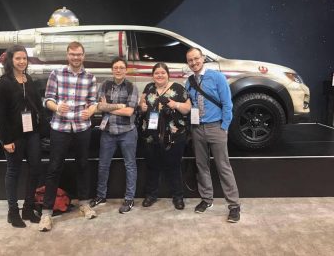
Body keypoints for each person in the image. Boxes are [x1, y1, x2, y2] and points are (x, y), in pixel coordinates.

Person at [38, 41, 98, 232]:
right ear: (67, 55)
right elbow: (47, 100)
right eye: (72, 54)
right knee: (54, 167)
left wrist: (91, 110)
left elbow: (94, 102)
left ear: (83, 56)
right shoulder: (56, 74)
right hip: (60, 127)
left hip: (82, 127)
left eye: (79, 54)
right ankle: (46, 213)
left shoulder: (90, 77)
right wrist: (57, 108)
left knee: (82, 165)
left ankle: (84, 204)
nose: (76, 57)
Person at [185, 47, 240, 223]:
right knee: (202, 166)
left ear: (202, 59)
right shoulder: (189, 82)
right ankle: (207, 199)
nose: (194, 63)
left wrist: (224, 126)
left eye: (196, 59)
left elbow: (227, 103)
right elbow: (190, 104)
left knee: (223, 167)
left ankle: (234, 206)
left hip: (216, 127)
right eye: (190, 60)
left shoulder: (217, 77)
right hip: (197, 129)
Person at [0, 45, 42, 228]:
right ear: (10, 60)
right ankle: (12, 211)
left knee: (36, 168)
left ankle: (28, 208)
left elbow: (36, 105)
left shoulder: (28, 79)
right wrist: (6, 140)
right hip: (13, 136)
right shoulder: (5, 82)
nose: (22, 61)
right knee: (13, 171)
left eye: (24, 58)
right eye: (18, 59)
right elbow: (1, 114)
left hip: (32, 133)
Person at [138, 63, 191, 210]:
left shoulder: (178, 88)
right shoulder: (149, 87)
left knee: (174, 166)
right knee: (152, 166)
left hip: (174, 136)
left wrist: (175, 104)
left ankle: (178, 197)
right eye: (156, 73)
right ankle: (151, 195)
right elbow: (142, 103)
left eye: (162, 73)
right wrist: (141, 106)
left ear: (168, 74)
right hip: (151, 135)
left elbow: (187, 109)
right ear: (152, 75)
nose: (159, 75)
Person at [89, 57, 139, 214]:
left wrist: (107, 107)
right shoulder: (104, 85)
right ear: (112, 70)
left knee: (130, 165)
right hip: (108, 132)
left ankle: (129, 199)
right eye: (115, 67)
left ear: (126, 70)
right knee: (103, 165)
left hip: (128, 132)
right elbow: (99, 106)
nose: (118, 70)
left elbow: (129, 111)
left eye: (121, 68)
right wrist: (118, 106)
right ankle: (101, 196)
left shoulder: (132, 87)